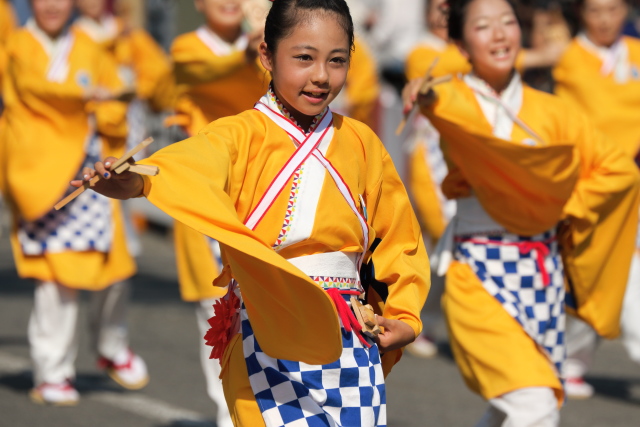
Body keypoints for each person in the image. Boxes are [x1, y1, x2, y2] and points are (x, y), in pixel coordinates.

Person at [76, 0, 430, 425]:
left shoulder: (361, 142)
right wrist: (139, 181)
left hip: (348, 335)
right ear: (267, 55)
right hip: (265, 326)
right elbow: (189, 163)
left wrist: (406, 318)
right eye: (304, 58)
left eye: (337, 61)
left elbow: (398, 239)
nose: (321, 75)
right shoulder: (238, 133)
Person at [402, 0, 640, 424]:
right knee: (535, 405)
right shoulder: (451, 97)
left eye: (508, 22)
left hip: (542, 274)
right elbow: (437, 97)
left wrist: (564, 204)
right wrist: (426, 92)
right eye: (483, 25)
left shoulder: (554, 111)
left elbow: (618, 170)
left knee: (514, 406)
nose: (499, 33)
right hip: (478, 273)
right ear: (460, 42)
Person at [1, 0, 148, 406]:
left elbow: (116, 102)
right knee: (55, 282)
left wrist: (111, 106)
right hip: (40, 176)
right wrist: (90, 96)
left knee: (116, 266)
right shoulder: (16, 45)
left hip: (89, 178)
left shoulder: (88, 45)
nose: (52, 5)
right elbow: (33, 90)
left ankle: (110, 346)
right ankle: (53, 371)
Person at [167, 1, 268, 425]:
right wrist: (246, 54)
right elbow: (203, 74)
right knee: (216, 302)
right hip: (206, 187)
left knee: (264, 298)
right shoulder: (187, 48)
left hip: (262, 184)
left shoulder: (267, 46)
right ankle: (229, 413)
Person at [553, 0, 640, 399]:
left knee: (630, 281)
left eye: (614, 8)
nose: (606, 19)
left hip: (634, 185)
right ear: (580, 13)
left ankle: (572, 362)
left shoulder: (636, 52)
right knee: (587, 279)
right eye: (595, 10)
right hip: (590, 188)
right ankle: (571, 361)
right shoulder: (567, 56)